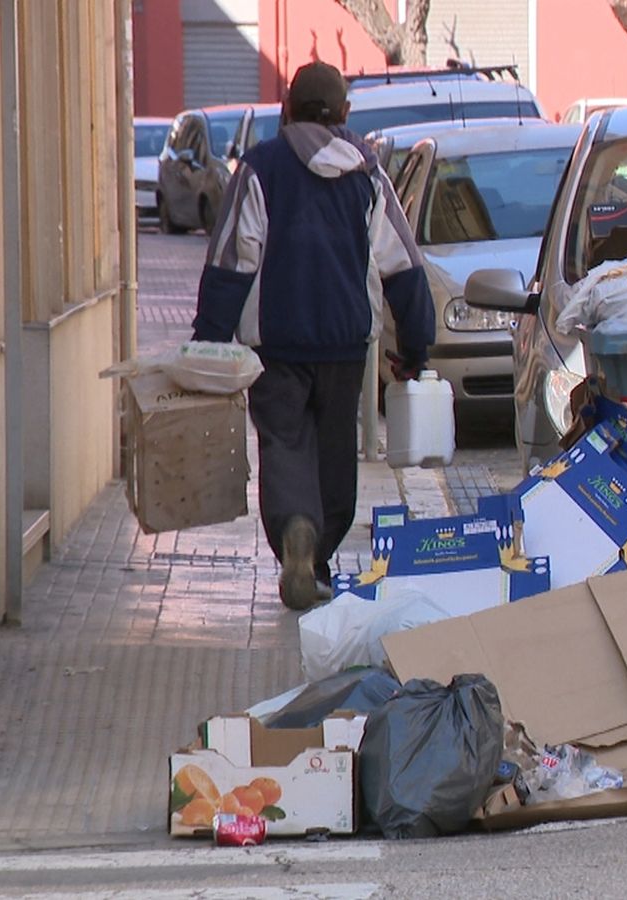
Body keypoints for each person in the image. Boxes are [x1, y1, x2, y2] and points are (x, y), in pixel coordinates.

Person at [191, 62, 435, 611]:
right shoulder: (368, 173)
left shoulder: (259, 170)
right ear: (346, 114)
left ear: (286, 110)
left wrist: (207, 341)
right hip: (346, 345)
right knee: (333, 452)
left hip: (274, 347)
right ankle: (319, 557)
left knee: (284, 445)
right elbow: (402, 263)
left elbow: (233, 260)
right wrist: (416, 345)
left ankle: (295, 531)